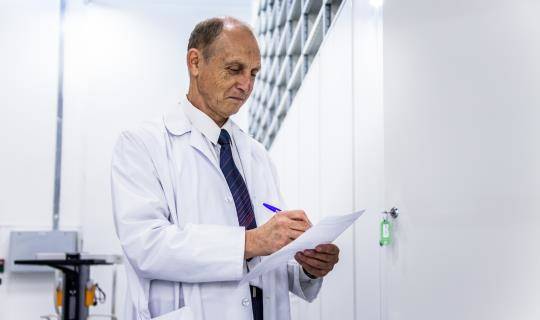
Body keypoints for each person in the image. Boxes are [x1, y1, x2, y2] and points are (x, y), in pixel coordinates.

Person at [111, 16, 340, 320]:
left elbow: (271, 260)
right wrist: (251, 241)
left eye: (254, 73)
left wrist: (307, 266)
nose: (246, 85)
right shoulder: (142, 145)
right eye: (234, 69)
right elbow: (147, 246)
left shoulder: (255, 154)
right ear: (195, 62)